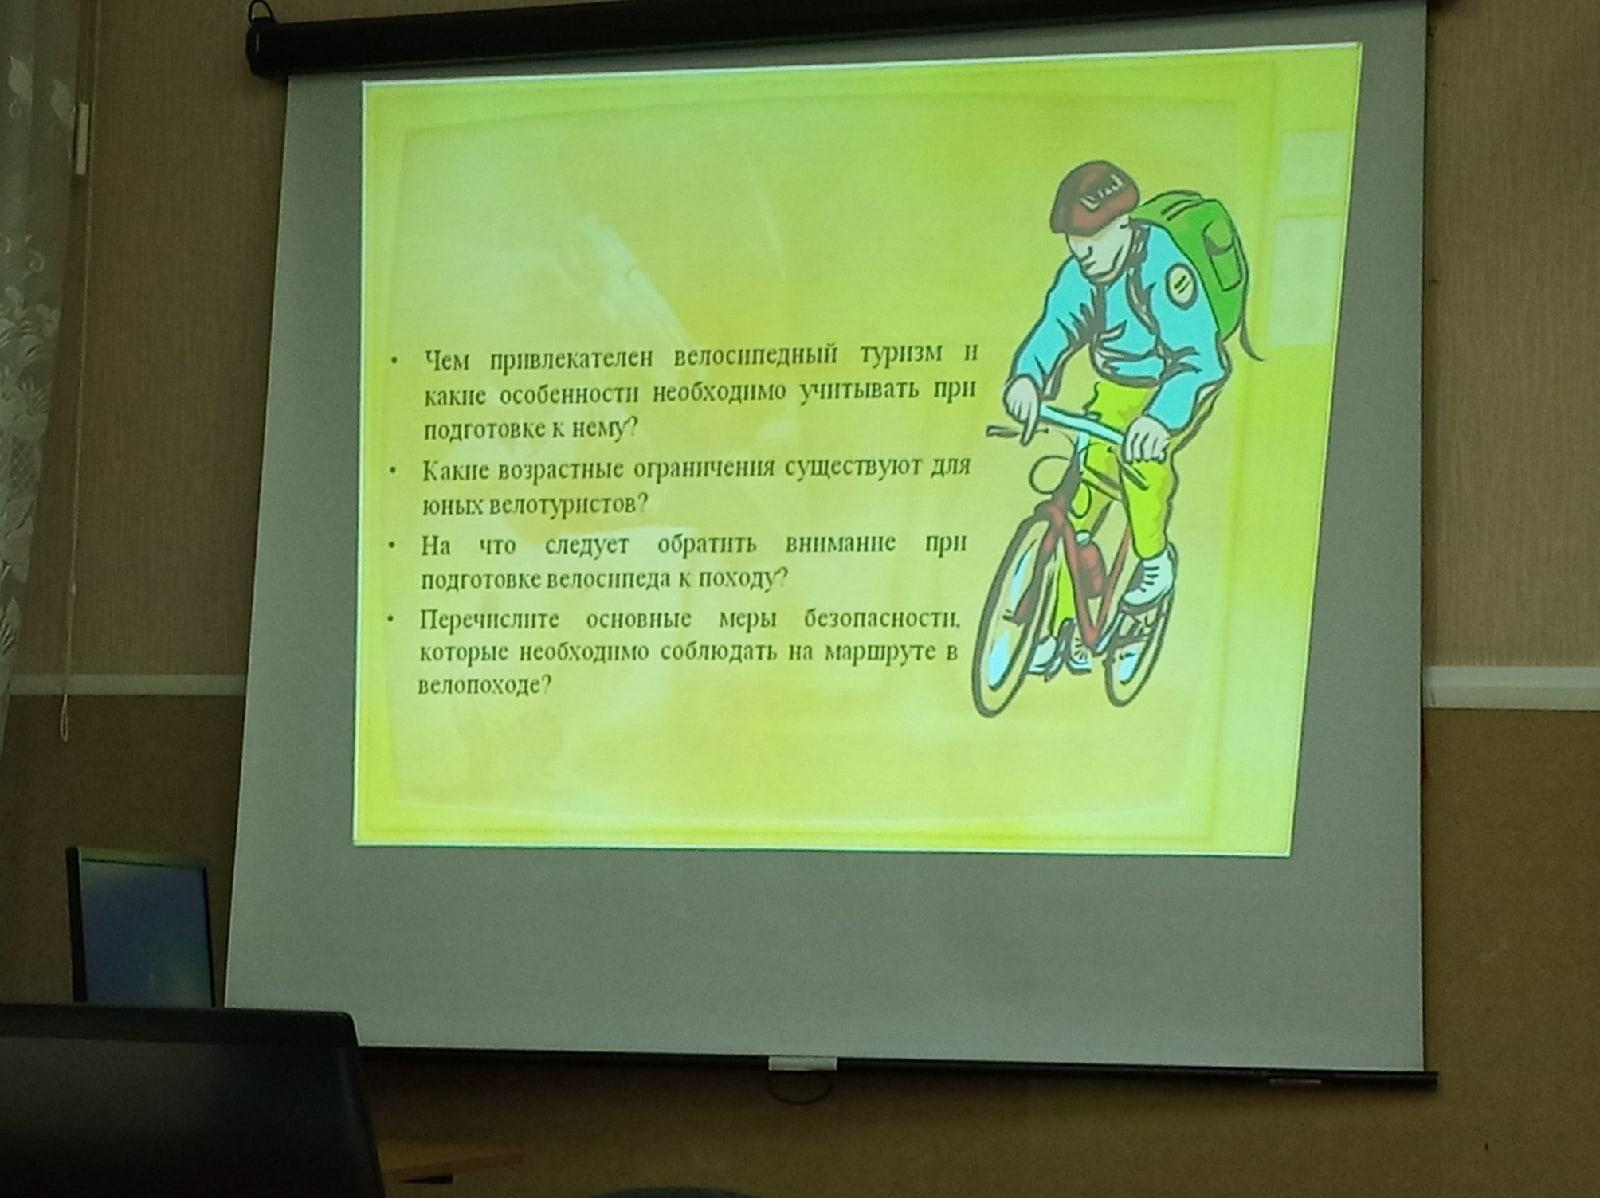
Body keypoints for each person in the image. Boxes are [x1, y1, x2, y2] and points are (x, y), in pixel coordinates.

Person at [1002, 160, 1230, 678]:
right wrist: (1027, 379)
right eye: (1074, 244)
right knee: (1078, 505)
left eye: (1092, 241)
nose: (1082, 254)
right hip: (1115, 388)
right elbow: (1054, 328)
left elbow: (1200, 361)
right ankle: (1060, 627)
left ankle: (1154, 562)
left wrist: (1160, 421)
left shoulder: (1164, 269)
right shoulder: (1080, 275)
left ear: (1124, 225)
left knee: (1140, 469)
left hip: (1173, 386)